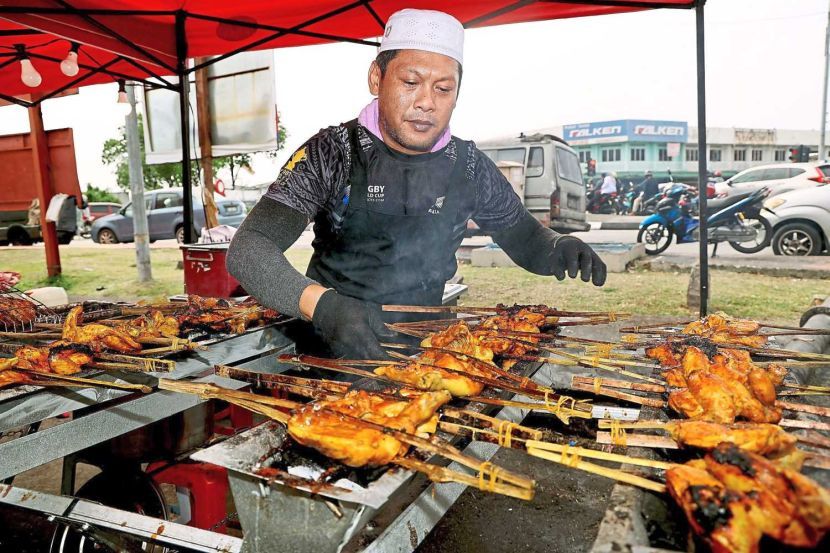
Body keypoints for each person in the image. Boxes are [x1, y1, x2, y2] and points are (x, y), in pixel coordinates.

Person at [227, 9, 606, 361]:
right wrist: (321, 305)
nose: (426, 102)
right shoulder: (333, 153)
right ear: (377, 77)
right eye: (411, 82)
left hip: (427, 351)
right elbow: (249, 248)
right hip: (333, 348)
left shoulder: (469, 166)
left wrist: (557, 246)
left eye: (443, 89)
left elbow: (523, 237)